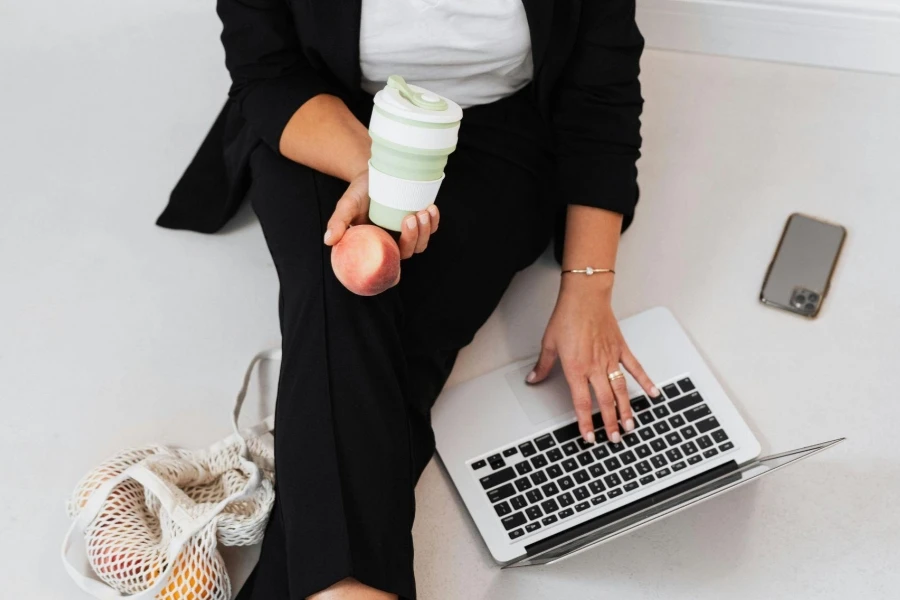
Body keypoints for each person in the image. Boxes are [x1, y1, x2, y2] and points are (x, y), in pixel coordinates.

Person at [157, 1, 659, 599]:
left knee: (378, 355)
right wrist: (382, 174)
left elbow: (599, 89)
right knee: (346, 294)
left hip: (502, 130)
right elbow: (266, 67)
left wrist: (587, 286)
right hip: (327, 114)